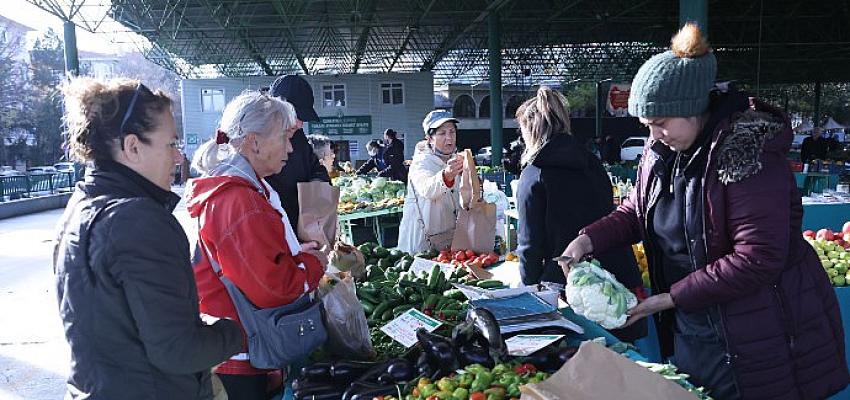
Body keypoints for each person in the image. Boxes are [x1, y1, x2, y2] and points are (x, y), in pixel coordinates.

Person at [559, 24, 849, 399]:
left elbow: (758, 257)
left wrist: (668, 298)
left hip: (759, 333)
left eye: (660, 123)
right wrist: (589, 238)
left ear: (692, 109)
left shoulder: (748, 156)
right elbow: (638, 211)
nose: (653, 134)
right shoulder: (664, 150)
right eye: (647, 125)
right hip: (696, 324)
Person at [54, 77, 243, 399]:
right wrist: (234, 332)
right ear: (132, 146)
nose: (179, 157)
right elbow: (178, 351)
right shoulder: (138, 220)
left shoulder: (81, 206)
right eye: (171, 144)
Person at [187, 92, 327, 400]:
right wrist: (314, 265)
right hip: (238, 353)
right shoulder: (237, 199)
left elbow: (252, 261)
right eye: (284, 138)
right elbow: (271, 287)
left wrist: (293, 255)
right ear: (254, 142)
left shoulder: (244, 188)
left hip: (238, 340)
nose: (290, 148)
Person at [515, 87, 646, 342]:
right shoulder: (592, 161)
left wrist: (530, 292)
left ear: (530, 131)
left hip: (574, 289)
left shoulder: (534, 174)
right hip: (620, 277)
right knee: (628, 365)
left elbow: (530, 244)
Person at [264, 75, 330, 234]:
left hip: (305, 227)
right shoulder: (259, 142)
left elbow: (316, 167)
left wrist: (318, 182)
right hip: (275, 230)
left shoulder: (299, 137)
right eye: (296, 116)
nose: (300, 124)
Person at [397, 110, 463, 253]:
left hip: (447, 239)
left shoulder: (455, 159)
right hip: (423, 242)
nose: (449, 138)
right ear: (429, 138)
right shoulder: (421, 162)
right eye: (442, 133)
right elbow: (427, 189)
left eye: (452, 132)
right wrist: (447, 175)